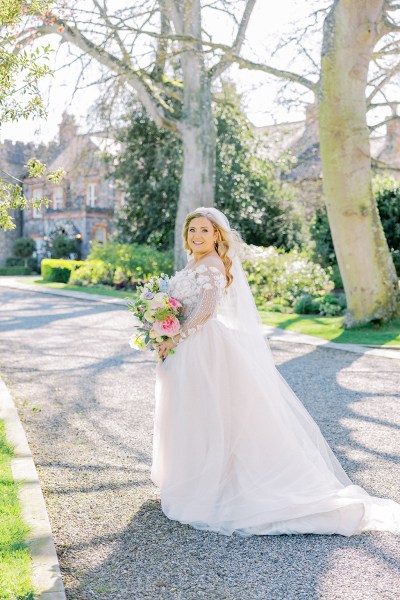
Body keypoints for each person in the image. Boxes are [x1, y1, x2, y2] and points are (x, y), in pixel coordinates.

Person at [151, 207, 400, 536]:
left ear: (217, 237)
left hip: (202, 347)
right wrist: (164, 328)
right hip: (187, 345)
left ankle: (209, 485)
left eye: (204, 231)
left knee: (206, 412)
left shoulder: (211, 265)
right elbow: (187, 306)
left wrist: (176, 336)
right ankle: (191, 476)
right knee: (192, 411)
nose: (197, 235)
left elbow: (207, 310)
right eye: (193, 230)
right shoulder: (195, 262)